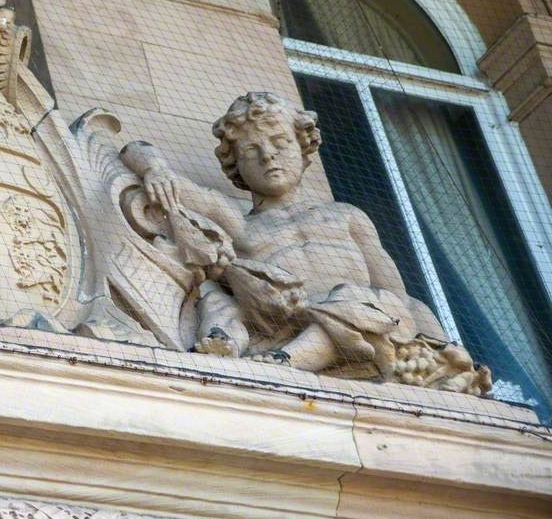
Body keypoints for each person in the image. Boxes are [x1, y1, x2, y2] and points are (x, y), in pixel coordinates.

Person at [123, 92, 448, 378]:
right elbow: (133, 149)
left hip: (365, 326)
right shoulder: (238, 223)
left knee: (357, 296)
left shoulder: (346, 216)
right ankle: (234, 345)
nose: (268, 157)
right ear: (235, 163)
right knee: (216, 291)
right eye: (252, 150)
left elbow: (394, 293)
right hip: (288, 323)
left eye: (280, 143)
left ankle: (286, 363)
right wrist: (155, 168)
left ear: (303, 146)